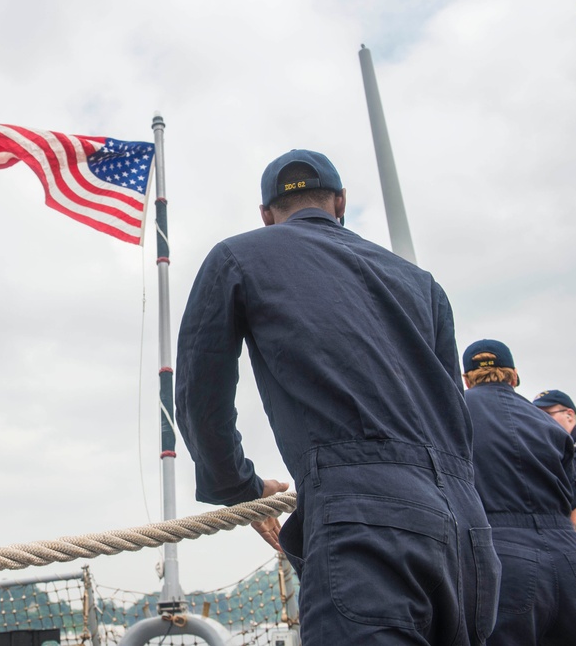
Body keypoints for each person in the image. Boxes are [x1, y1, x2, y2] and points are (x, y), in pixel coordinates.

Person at [175, 149, 500, 645]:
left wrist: (237, 487)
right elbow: (453, 412)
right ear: (341, 202)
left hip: (366, 521)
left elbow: (202, 395)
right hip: (468, 532)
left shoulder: (237, 256)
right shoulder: (422, 284)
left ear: (265, 214)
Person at [461, 340, 576, 643]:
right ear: (514, 376)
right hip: (571, 557)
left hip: (501, 555)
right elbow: (573, 513)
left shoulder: (454, 410)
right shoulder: (548, 424)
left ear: (466, 378)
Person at [534, 389, 576, 531]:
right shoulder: (549, 453)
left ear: (569, 415)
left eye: (546, 414)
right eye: (535, 416)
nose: (540, 421)